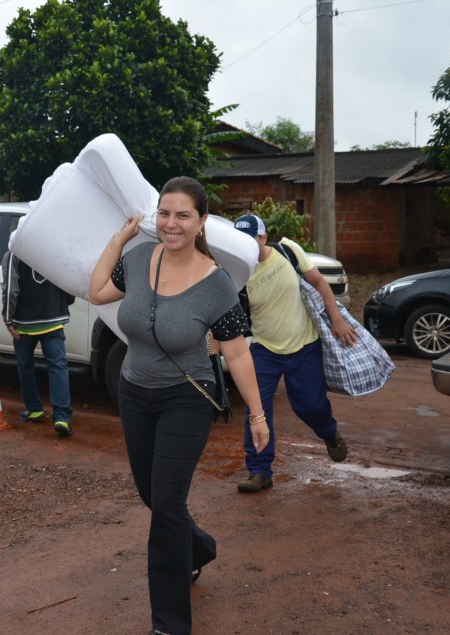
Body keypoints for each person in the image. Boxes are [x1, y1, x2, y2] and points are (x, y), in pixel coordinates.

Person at [88, 177, 267, 635]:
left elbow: (238, 352)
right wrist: (119, 238)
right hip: (134, 393)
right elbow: (98, 292)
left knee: (166, 504)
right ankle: (199, 548)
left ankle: (168, 624)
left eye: (183, 215)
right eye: (165, 213)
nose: (172, 224)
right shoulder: (137, 258)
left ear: (201, 221)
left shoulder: (216, 283)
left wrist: (258, 414)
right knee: (153, 495)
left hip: (186, 397)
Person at [231, 214, 356, 494]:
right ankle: (259, 470)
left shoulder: (288, 250)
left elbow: (321, 284)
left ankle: (329, 433)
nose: (245, 246)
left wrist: (336, 319)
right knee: (256, 409)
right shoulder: (238, 272)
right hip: (264, 349)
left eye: (250, 239)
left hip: (304, 346)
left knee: (309, 406)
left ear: (262, 238)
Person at [1, 249, 75, 436]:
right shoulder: (52, 249)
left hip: (25, 324)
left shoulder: (14, 253)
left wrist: (8, 319)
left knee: (25, 365)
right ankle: (62, 417)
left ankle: (34, 409)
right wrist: (63, 303)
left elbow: (10, 288)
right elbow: (69, 281)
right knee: (58, 367)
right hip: (54, 318)